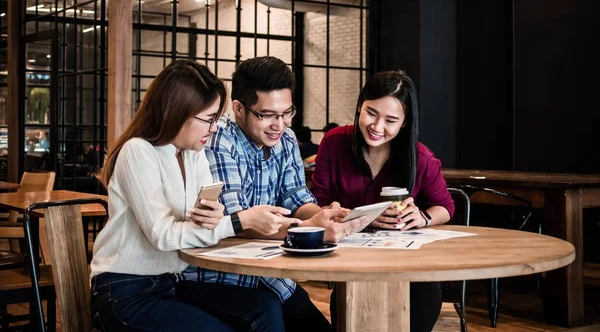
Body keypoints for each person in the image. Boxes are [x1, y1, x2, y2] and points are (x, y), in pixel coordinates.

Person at [91, 60, 299, 332]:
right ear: (178, 112)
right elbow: (163, 235)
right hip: (124, 291)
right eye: (209, 119)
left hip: (173, 283)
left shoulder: (193, 154)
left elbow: (208, 221)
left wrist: (218, 218)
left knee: (266, 306)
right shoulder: (138, 151)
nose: (214, 129)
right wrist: (237, 222)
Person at [204, 56, 368, 332]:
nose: (279, 125)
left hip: (270, 272)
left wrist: (327, 216)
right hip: (223, 274)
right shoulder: (219, 139)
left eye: (286, 113)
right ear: (239, 108)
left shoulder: (287, 139)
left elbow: (296, 198)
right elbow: (237, 222)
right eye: (267, 115)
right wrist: (308, 228)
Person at [310, 70, 455, 332]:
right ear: (359, 106)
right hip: (352, 271)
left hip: (412, 275)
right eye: (371, 113)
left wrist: (423, 217)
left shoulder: (421, 158)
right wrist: (339, 213)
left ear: (405, 122)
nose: (377, 128)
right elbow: (317, 203)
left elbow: (446, 207)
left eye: (391, 120)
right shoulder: (334, 143)